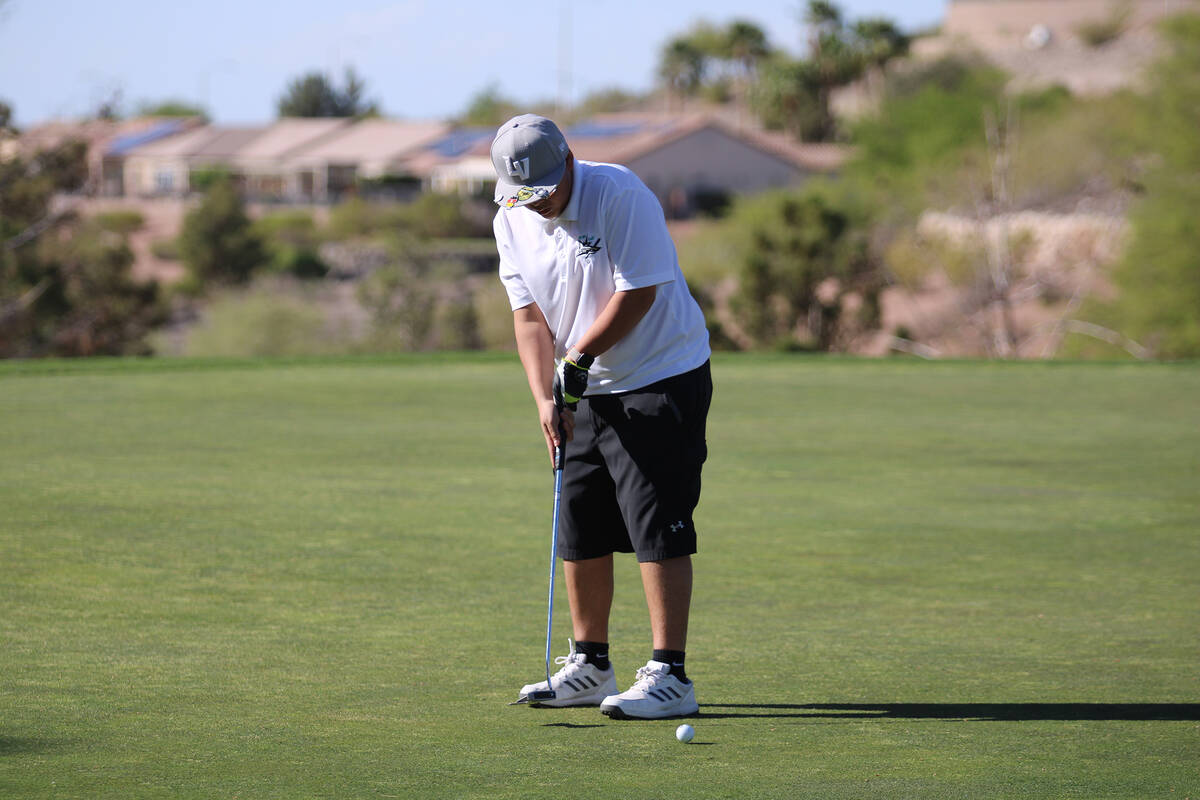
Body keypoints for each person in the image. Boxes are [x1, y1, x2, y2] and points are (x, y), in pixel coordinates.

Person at [492, 114, 712, 720]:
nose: (535, 206)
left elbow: (637, 291)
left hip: (659, 373)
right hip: (579, 383)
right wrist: (546, 396)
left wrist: (579, 360)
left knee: (654, 519)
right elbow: (529, 316)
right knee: (580, 518)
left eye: (543, 192)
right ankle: (590, 665)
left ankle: (671, 674)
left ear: (568, 163)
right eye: (522, 195)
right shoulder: (511, 216)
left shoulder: (620, 195)